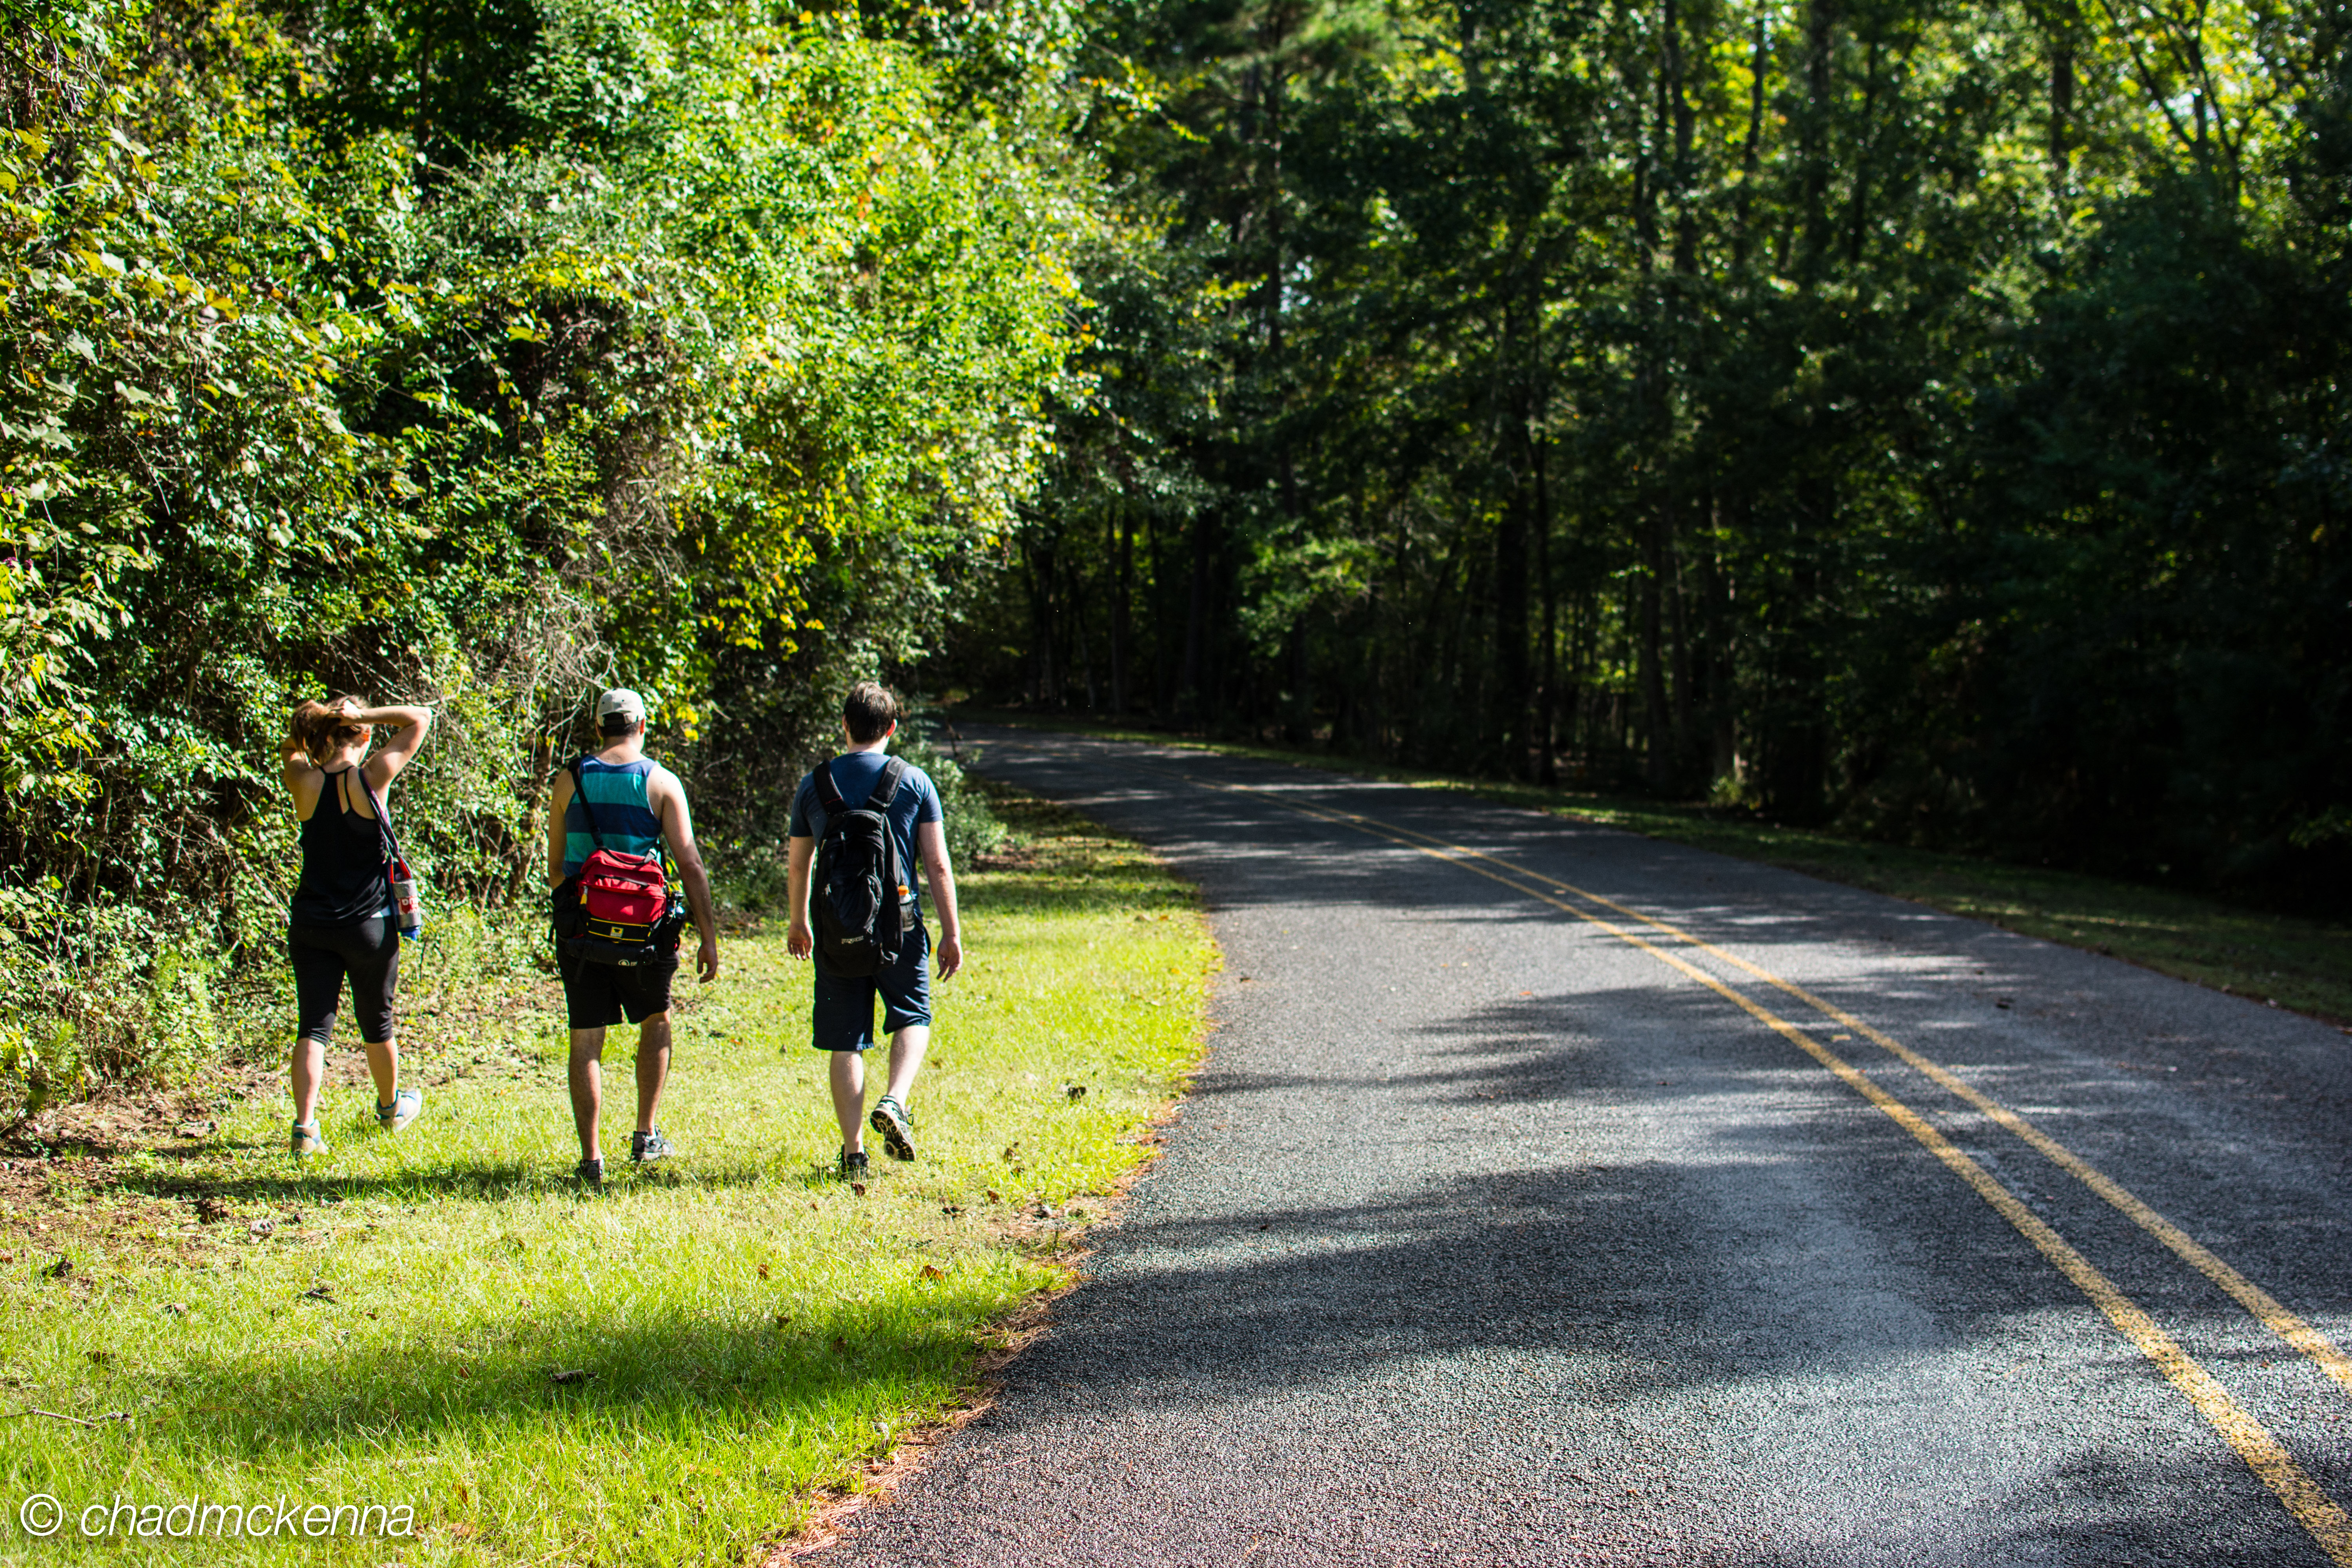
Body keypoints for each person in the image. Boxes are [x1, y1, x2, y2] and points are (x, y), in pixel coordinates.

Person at [786, 681, 964, 1179]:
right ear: (892, 728)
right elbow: (938, 864)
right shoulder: (914, 781)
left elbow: (799, 865)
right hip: (899, 927)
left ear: (844, 725)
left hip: (836, 929)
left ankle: (853, 1153)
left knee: (846, 1039)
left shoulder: (814, 785)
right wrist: (951, 932)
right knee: (913, 1014)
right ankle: (895, 1100)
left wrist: (798, 921)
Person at [548, 688, 719, 1185]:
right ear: (642, 725)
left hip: (582, 932)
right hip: (646, 935)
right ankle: (645, 1135)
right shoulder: (661, 782)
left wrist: (582, 908)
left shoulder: (569, 779)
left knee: (586, 1037)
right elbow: (690, 863)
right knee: (656, 1020)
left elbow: (556, 868)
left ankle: (591, 1159)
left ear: (598, 727)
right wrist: (709, 936)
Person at [279, 695, 435, 1158]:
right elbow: (420, 718)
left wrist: (317, 721)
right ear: (364, 733)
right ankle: (390, 1109)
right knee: (377, 1021)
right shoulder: (372, 777)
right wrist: (361, 715)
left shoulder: (303, 779)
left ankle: (305, 1129)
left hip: (311, 923)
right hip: (369, 925)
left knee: (313, 1025)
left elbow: (289, 744)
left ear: (325, 735)